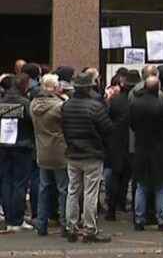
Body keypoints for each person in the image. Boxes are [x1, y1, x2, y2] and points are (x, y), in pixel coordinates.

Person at [61, 73, 113, 243]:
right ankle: (90, 229)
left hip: (73, 153)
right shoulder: (95, 106)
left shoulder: (66, 105)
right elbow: (107, 129)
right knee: (91, 192)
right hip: (92, 153)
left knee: (73, 190)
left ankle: (71, 227)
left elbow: (63, 127)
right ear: (90, 87)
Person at [129, 76, 163, 231]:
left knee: (141, 184)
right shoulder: (162, 105)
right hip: (160, 148)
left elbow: (133, 125)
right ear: (158, 88)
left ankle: (139, 219)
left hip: (141, 146)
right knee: (161, 185)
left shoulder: (135, 104)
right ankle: (161, 219)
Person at [30, 74, 69, 236]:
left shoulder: (33, 104)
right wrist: (65, 99)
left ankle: (41, 223)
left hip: (42, 151)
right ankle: (65, 224)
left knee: (44, 188)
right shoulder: (59, 106)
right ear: (53, 88)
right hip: (59, 151)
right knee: (63, 189)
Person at [0, 75, 35, 231]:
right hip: (22, 146)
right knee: (20, 183)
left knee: (6, 181)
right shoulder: (25, 103)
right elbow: (32, 121)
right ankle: (17, 219)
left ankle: (9, 218)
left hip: (3, 146)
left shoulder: (1, 102)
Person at [105, 70, 139, 221]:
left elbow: (108, 118)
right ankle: (126, 205)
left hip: (117, 142)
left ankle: (111, 208)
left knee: (115, 175)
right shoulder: (138, 100)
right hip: (134, 143)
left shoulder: (116, 100)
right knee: (130, 177)